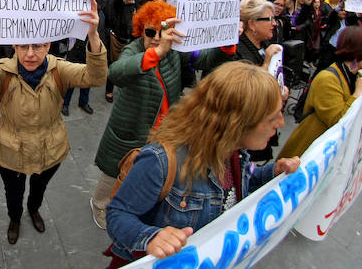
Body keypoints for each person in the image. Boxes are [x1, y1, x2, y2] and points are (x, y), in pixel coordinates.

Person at [105, 61, 301, 266]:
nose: (281, 123)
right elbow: (118, 214)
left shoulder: (236, 151)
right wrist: (151, 237)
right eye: (271, 118)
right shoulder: (160, 161)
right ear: (237, 124)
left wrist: (272, 172)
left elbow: (240, 184)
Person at [0, 0, 107, 244]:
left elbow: (96, 77)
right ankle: (15, 218)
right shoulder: (2, 71)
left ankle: (34, 209)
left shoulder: (60, 69)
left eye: (37, 46)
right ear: (14, 47)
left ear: (48, 45)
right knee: (13, 194)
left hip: (51, 151)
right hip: (11, 154)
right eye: (23, 47)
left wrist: (92, 36)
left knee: (39, 189)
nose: (30, 54)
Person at [90, 0, 235, 229]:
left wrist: (227, 44)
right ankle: (99, 205)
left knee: (146, 174)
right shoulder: (135, 49)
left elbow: (205, 60)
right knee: (114, 173)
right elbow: (116, 73)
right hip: (131, 130)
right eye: (150, 31)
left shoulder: (175, 51)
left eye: (162, 31)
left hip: (164, 133)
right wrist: (156, 53)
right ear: (140, 30)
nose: (156, 37)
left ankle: (134, 206)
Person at [278, 27, 362, 158]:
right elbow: (338, 121)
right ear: (359, 51)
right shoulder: (328, 78)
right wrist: (357, 94)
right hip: (309, 155)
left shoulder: (356, 76)